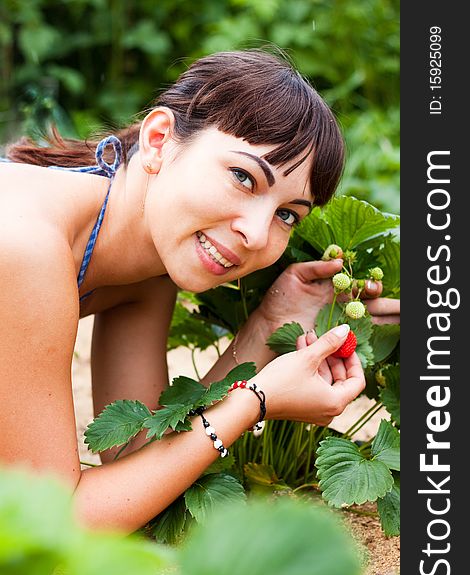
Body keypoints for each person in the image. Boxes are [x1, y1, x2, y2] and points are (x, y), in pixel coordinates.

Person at [0, 49, 399, 533]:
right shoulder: (24, 243)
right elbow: (53, 519)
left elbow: (135, 454)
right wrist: (254, 401)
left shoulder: (146, 270)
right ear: (159, 139)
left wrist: (266, 327)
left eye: (287, 214)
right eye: (242, 177)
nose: (256, 233)